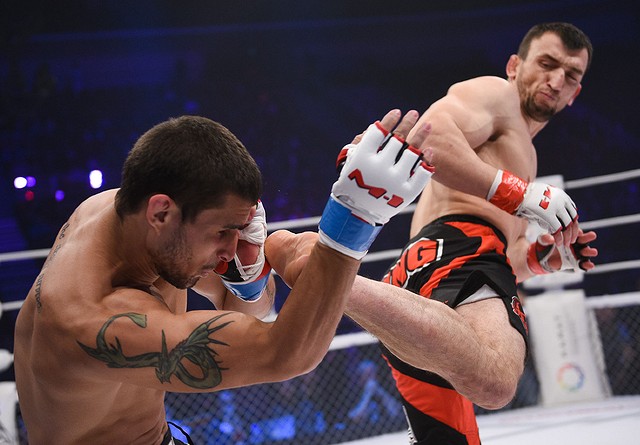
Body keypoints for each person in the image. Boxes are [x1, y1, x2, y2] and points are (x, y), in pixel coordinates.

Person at [13, 111, 433, 444]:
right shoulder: (93, 322)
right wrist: (353, 220)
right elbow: (284, 354)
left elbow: (250, 313)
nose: (230, 250)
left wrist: (247, 280)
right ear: (161, 212)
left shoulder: (139, 224)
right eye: (222, 232)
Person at [269, 22, 600, 445]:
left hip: (432, 275)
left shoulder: (524, 152)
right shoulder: (497, 95)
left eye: (570, 75)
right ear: (515, 66)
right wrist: (518, 193)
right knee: (496, 379)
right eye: (547, 64)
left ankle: (331, 269)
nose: (556, 80)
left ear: (575, 93)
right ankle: (327, 264)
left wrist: (539, 259)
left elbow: (505, 259)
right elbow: (428, 139)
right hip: (458, 252)